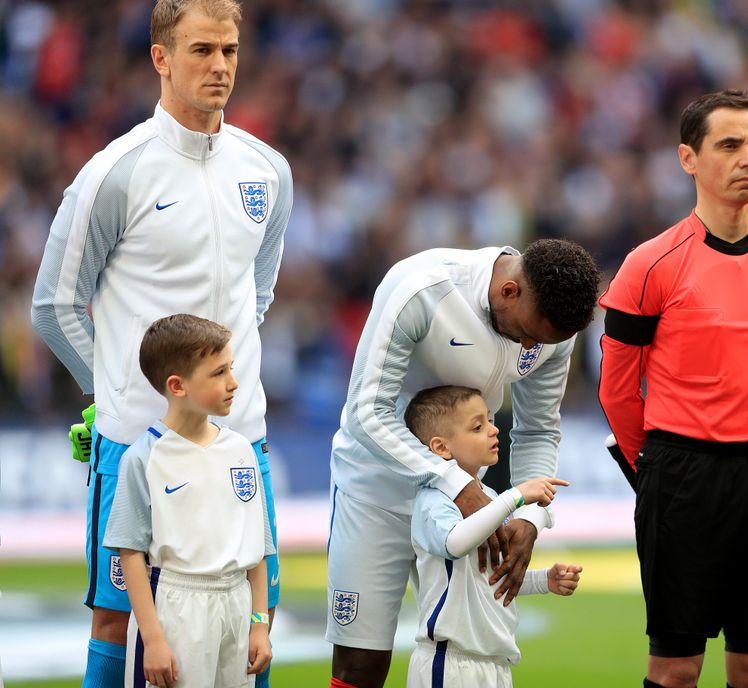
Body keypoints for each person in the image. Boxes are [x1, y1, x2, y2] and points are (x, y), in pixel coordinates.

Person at [29, 2, 291, 686]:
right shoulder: (114, 173)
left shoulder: (268, 172)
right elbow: (54, 305)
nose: (220, 66)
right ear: (161, 58)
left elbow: (256, 298)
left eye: (229, 50)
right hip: (136, 441)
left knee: (255, 619)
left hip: (241, 437)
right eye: (201, 50)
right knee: (117, 623)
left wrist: (220, 390)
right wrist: (114, 392)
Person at [598, 89, 748, 688]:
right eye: (729, 145)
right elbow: (617, 390)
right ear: (688, 159)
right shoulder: (650, 264)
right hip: (683, 476)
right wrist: (656, 466)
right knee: (676, 670)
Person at [326, 238, 599, 688]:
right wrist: (456, 483)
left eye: (541, 343)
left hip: (462, 510)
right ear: (509, 290)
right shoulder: (421, 288)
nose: (529, 347)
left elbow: (538, 429)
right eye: (527, 334)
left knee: (467, 651)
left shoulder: (553, 330)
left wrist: (530, 518)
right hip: (377, 493)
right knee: (360, 666)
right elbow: (366, 411)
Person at [103, 314, 275, 688]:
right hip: (176, 610)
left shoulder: (241, 450)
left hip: (237, 605)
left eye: (231, 368)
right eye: (218, 373)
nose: (233, 382)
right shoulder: (144, 458)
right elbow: (130, 555)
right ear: (177, 386)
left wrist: (259, 624)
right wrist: (153, 639)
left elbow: (259, 550)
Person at [403, 385, 582, 687]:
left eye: (489, 419)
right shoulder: (432, 500)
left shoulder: (489, 497)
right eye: (477, 426)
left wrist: (544, 581)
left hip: (495, 663)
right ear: (441, 447)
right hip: (449, 662)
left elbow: (487, 577)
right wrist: (515, 497)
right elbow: (455, 543)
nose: (493, 429)